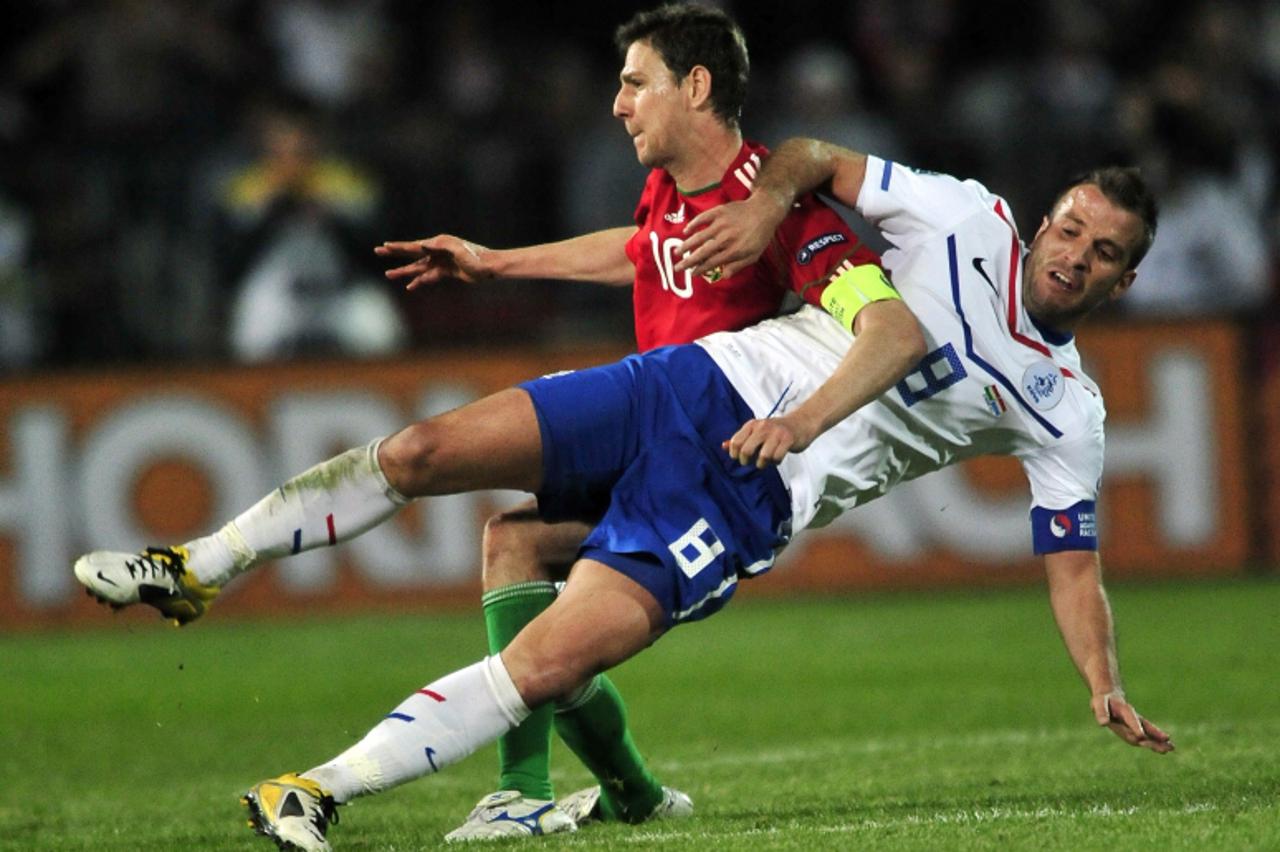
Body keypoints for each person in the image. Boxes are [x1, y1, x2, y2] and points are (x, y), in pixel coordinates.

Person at [74, 135, 1175, 850]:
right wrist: (764, 206)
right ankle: (196, 566)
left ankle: (311, 790)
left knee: (547, 658)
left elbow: (1069, 559)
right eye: (1070, 225)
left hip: (750, 490)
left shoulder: (1063, 409)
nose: (1074, 252)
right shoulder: (964, 218)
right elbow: (805, 158)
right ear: (1042, 218)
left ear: (1124, 281)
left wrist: (1099, 681)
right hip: (698, 383)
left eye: (1102, 250)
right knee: (419, 452)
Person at [75, 3, 885, 844]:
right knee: (498, 529)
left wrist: (804, 421)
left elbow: (872, 325)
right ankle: (201, 567)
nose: (617, 103)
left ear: (698, 86)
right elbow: (642, 248)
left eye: (635, 83)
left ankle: (544, 788)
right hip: (639, 419)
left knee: (555, 640)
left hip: (702, 461)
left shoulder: (773, 207)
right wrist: (497, 262)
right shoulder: (669, 189)